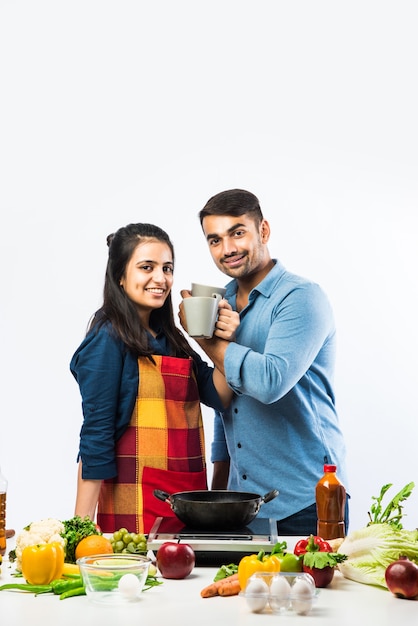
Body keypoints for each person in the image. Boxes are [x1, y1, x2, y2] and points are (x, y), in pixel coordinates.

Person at [180, 189, 349, 536]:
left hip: (306, 499)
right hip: (241, 503)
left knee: (309, 592)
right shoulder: (222, 300)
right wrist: (218, 491)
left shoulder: (301, 297)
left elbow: (270, 382)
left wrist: (206, 340)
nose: (227, 249)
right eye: (215, 240)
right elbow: (227, 399)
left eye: (237, 232)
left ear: (264, 231)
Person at [70, 222, 236, 534]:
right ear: (120, 275)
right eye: (147, 267)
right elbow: (96, 437)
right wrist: (79, 532)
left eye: (167, 268)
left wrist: (218, 342)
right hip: (134, 511)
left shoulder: (171, 338)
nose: (160, 279)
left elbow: (221, 396)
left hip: (187, 502)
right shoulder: (108, 338)